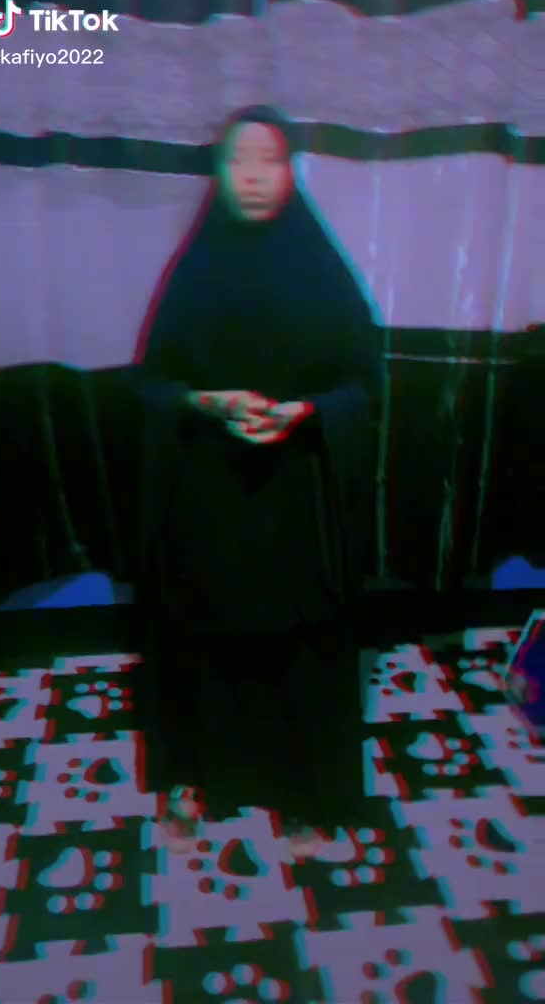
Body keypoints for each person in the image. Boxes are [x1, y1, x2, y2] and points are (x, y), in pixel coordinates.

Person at [131, 105, 383, 855]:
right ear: (218, 174)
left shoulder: (322, 271)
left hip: (297, 494)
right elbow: (149, 384)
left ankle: (305, 790)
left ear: (290, 173)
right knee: (199, 635)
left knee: (300, 645)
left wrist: (306, 412)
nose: (251, 176)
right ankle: (193, 777)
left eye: (268, 160)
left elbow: (364, 386)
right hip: (208, 495)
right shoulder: (194, 271)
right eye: (236, 160)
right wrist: (202, 403)